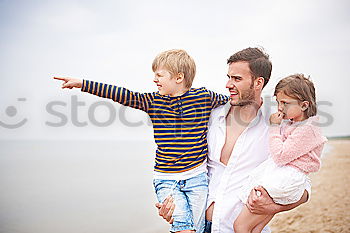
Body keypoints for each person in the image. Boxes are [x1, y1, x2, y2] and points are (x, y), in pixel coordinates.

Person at [53, 49, 230, 233]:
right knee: (184, 229)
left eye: (159, 75)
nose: (155, 79)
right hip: (166, 179)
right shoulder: (152, 101)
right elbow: (121, 94)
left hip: (197, 178)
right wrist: (83, 84)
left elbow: (232, 101)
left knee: (199, 229)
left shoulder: (204, 97)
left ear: (179, 78)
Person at [156, 47, 311, 233]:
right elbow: (183, 164)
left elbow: (303, 186)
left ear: (258, 82)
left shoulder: (278, 126)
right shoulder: (210, 115)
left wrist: (274, 207)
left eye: (237, 79)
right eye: (228, 77)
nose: (228, 84)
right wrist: (174, 204)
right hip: (196, 226)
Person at [233, 74, 327, 233]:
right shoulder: (294, 123)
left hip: (283, 179)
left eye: (285, 103)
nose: (280, 108)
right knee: (256, 228)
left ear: (304, 105)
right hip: (281, 175)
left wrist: (274, 127)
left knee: (240, 226)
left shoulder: (308, 129)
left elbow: (280, 156)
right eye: (278, 102)